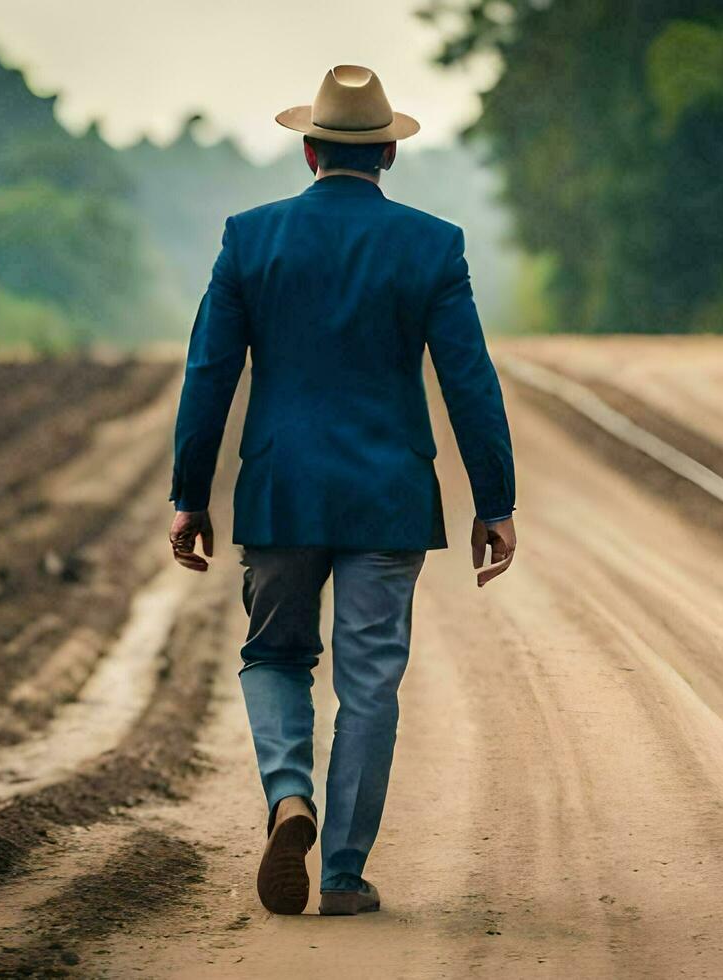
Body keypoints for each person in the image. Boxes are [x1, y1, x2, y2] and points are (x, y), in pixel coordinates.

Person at [165, 65, 516, 916]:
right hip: (389, 495)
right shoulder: (433, 244)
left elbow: (210, 371)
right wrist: (494, 501)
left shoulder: (250, 239)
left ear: (309, 150)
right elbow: (468, 379)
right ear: (389, 152)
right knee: (369, 681)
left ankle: (290, 796)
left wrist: (190, 494)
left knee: (275, 656)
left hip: (283, 489)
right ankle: (345, 875)